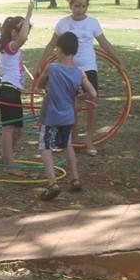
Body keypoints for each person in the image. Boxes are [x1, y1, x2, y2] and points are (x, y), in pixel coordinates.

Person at [35, 0, 125, 157]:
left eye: (83, 6)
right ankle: (72, 139)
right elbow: (51, 45)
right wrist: (40, 64)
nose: (80, 9)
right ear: (71, 5)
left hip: (89, 67)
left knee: (92, 99)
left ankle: (89, 139)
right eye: (77, 5)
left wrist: (118, 61)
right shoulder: (63, 23)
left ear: (87, 7)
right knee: (70, 105)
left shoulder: (92, 23)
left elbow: (104, 43)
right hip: (68, 69)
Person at [35, 32, 97, 200]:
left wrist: (45, 84)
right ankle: (75, 179)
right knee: (67, 145)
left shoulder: (52, 68)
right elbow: (93, 93)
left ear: (59, 49)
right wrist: (78, 97)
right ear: (76, 51)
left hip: (51, 117)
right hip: (68, 117)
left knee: (45, 147)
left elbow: (40, 85)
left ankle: (53, 183)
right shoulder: (80, 73)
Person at [0, 4, 33, 174]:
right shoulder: (10, 46)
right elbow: (22, 38)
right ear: (13, 33)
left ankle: (5, 157)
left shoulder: (9, 47)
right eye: (22, 30)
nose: (26, 35)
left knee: (18, 130)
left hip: (13, 92)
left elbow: (22, 36)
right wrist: (29, 14)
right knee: (8, 129)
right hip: (7, 91)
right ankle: (10, 165)